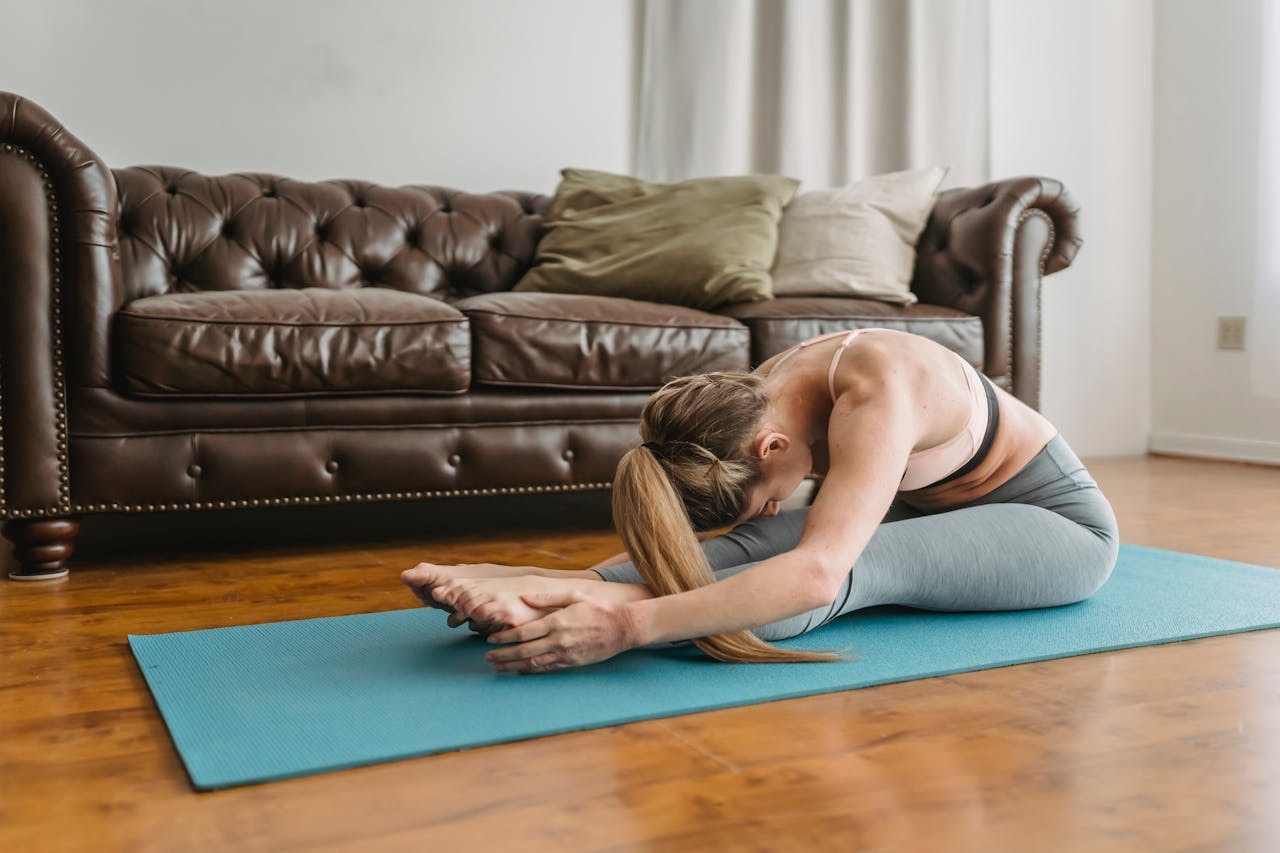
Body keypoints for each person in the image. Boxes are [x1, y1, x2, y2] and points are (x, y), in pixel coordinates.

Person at [402, 328, 1119, 674]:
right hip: (937, 506)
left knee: (849, 567)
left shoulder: (875, 394)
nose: (773, 504)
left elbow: (816, 575)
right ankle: (557, 585)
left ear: (770, 451)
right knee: (755, 548)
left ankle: (596, 608)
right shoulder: (761, 394)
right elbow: (763, 539)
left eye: (765, 493)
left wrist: (629, 627)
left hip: (1056, 526)